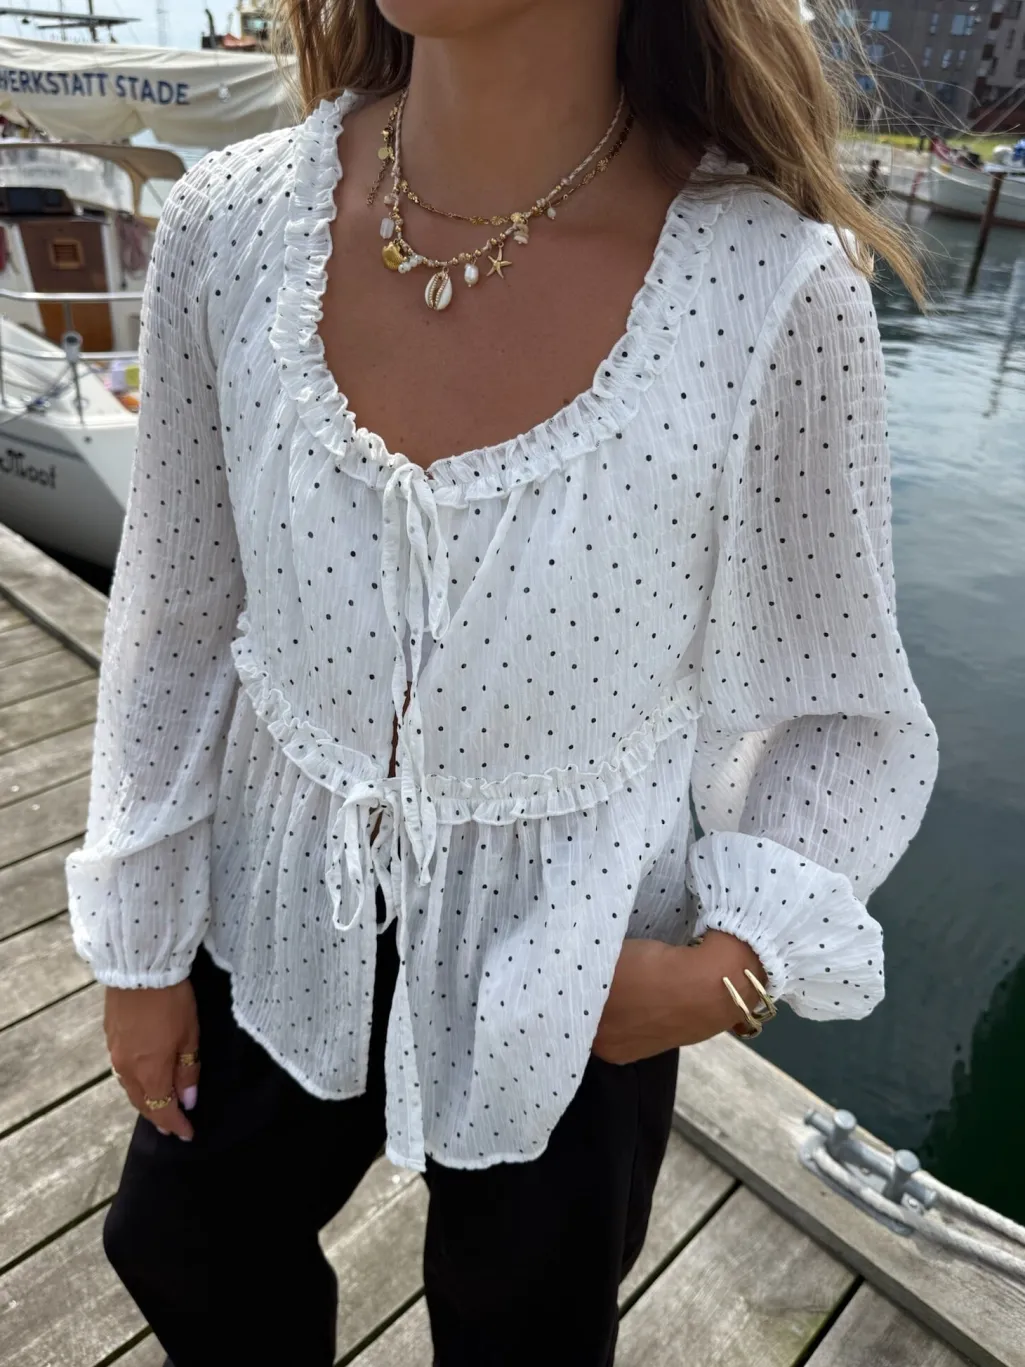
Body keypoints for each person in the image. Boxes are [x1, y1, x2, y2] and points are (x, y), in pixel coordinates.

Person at [66, 2, 938, 1364]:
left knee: (524, 1333)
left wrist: (725, 974)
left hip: (582, 949)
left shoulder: (767, 282)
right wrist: (139, 941)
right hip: (275, 904)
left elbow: (838, 698)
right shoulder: (230, 227)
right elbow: (175, 614)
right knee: (181, 1241)